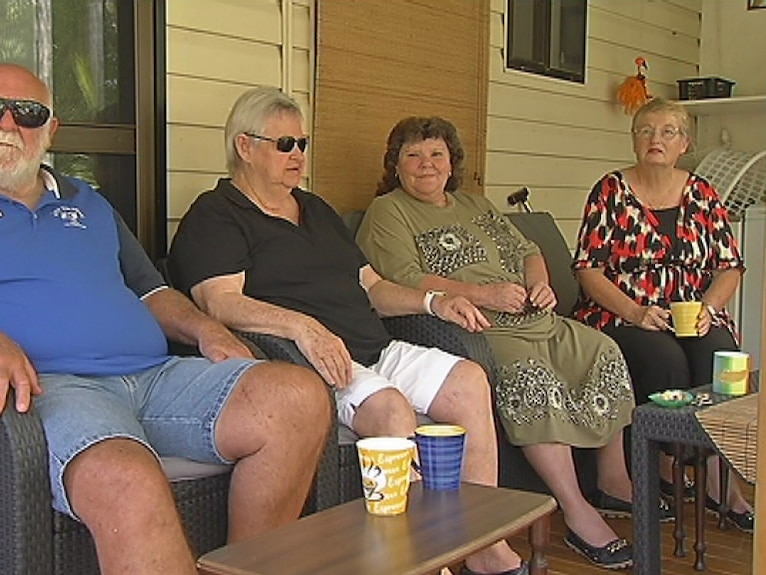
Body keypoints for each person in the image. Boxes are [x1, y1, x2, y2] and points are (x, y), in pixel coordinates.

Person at [0, 63, 332, 574]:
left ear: (52, 129)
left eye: (29, 114)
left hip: (155, 377)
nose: (7, 125)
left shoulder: (90, 203)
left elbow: (153, 292)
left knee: (299, 399)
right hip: (49, 389)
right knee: (126, 477)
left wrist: (207, 329)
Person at [168, 87, 527, 575]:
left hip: (372, 346)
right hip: (311, 364)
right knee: (391, 409)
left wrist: (433, 301)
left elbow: (373, 287)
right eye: (284, 145)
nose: (297, 155)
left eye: (302, 143)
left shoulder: (314, 209)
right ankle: (418, 561)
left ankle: (483, 547)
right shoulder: (216, 214)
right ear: (244, 147)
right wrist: (304, 328)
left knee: (468, 380)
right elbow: (219, 301)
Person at [356, 116, 642, 570]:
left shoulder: (476, 204)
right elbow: (405, 279)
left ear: (452, 164)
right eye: (413, 155)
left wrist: (540, 282)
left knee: (602, 349)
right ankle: (574, 508)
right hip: (481, 327)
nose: (426, 165)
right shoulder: (388, 212)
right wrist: (484, 295)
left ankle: (612, 480)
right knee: (533, 377)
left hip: (534, 317)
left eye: (436, 155)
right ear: (396, 165)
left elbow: (528, 250)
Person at [572, 97, 754, 532]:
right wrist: (635, 311)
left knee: (721, 355)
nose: (656, 139)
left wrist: (710, 309)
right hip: (623, 311)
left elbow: (730, 267)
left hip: (694, 312)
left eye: (667, 132)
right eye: (646, 131)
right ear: (634, 140)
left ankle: (716, 480)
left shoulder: (703, 193)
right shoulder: (610, 191)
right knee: (664, 359)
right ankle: (665, 464)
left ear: (684, 143)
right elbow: (587, 271)